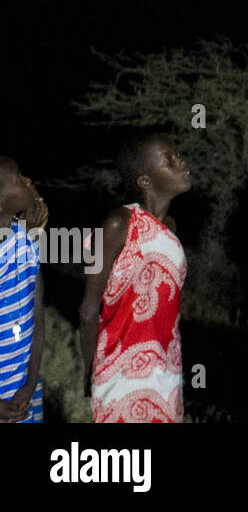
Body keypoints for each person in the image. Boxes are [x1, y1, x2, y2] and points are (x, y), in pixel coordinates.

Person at [80, 134, 190, 423]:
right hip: (120, 373)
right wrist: (90, 369)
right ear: (145, 181)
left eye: (177, 155)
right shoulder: (118, 224)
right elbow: (89, 309)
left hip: (166, 371)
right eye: (168, 160)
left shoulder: (170, 227)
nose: (181, 162)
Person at [0, 157, 48, 423]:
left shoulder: (27, 242)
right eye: (18, 178)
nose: (27, 181)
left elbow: (37, 321)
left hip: (24, 388)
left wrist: (30, 384)